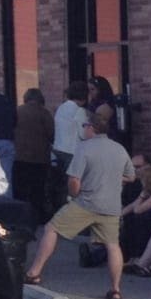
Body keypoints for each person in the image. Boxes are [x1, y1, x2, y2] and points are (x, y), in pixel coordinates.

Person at [23, 104, 132, 299]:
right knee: (112, 245)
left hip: (86, 201)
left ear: (91, 128)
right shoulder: (119, 149)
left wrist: (75, 195)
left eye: (85, 126)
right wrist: (111, 179)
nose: (83, 129)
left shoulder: (84, 148)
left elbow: (74, 179)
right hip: (111, 205)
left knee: (51, 228)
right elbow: (130, 176)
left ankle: (34, 272)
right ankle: (116, 289)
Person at [10, 89, 54, 225]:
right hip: (40, 158)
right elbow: (51, 134)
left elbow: (11, 130)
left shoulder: (18, 111)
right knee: (38, 191)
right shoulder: (45, 113)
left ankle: (21, 218)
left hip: (20, 157)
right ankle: (37, 218)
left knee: (20, 190)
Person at [49, 81, 88, 217]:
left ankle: (60, 213)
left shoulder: (61, 108)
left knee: (62, 186)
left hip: (58, 149)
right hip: (73, 151)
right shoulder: (80, 111)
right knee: (74, 186)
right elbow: (84, 133)